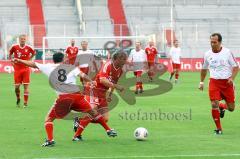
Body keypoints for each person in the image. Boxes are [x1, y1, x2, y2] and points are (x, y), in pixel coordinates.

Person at [12, 52, 117, 147]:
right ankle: (108, 129)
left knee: (48, 119)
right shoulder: (70, 66)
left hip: (64, 98)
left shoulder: (48, 67)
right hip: (77, 96)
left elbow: (33, 64)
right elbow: (82, 75)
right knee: (93, 112)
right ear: (63, 59)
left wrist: (20, 60)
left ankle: (50, 140)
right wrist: (91, 80)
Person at [73, 51, 127, 139]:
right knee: (92, 112)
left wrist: (110, 94)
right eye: (123, 59)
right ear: (117, 59)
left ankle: (79, 120)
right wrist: (116, 86)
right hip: (94, 90)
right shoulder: (108, 65)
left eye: (125, 59)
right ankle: (77, 136)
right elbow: (102, 80)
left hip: (102, 93)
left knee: (105, 118)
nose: (125, 61)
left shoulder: (121, 70)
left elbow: (113, 82)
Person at [199, 33, 238, 135]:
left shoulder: (227, 52)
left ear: (220, 42)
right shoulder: (207, 54)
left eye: (214, 42)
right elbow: (204, 69)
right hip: (214, 82)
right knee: (213, 104)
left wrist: (232, 78)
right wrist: (201, 82)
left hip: (227, 83)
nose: (212, 44)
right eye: (211, 42)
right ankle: (219, 129)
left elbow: (236, 67)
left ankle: (222, 106)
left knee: (231, 108)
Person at [9, 34, 35, 107]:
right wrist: (11, 61)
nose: (22, 40)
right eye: (21, 39)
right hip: (17, 69)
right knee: (17, 87)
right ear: (19, 40)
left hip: (26, 68)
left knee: (26, 87)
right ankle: (18, 98)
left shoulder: (29, 48)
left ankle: (25, 103)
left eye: (24, 39)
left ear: (25, 40)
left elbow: (33, 53)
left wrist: (29, 60)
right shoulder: (14, 47)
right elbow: (10, 53)